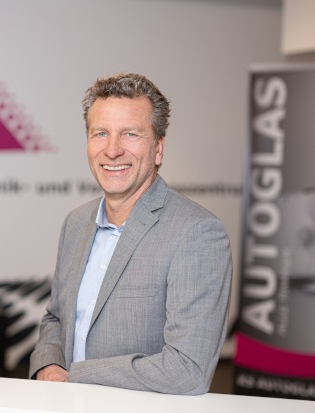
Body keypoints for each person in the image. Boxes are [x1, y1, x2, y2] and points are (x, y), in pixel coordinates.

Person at [29, 72, 232, 395]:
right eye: (100, 133)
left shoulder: (197, 233)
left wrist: (76, 375)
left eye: (130, 134)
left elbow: (187, 371)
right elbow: (56, 317)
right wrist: (48, 365)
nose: (112, 150)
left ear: (158, 148)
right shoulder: (75, 223)